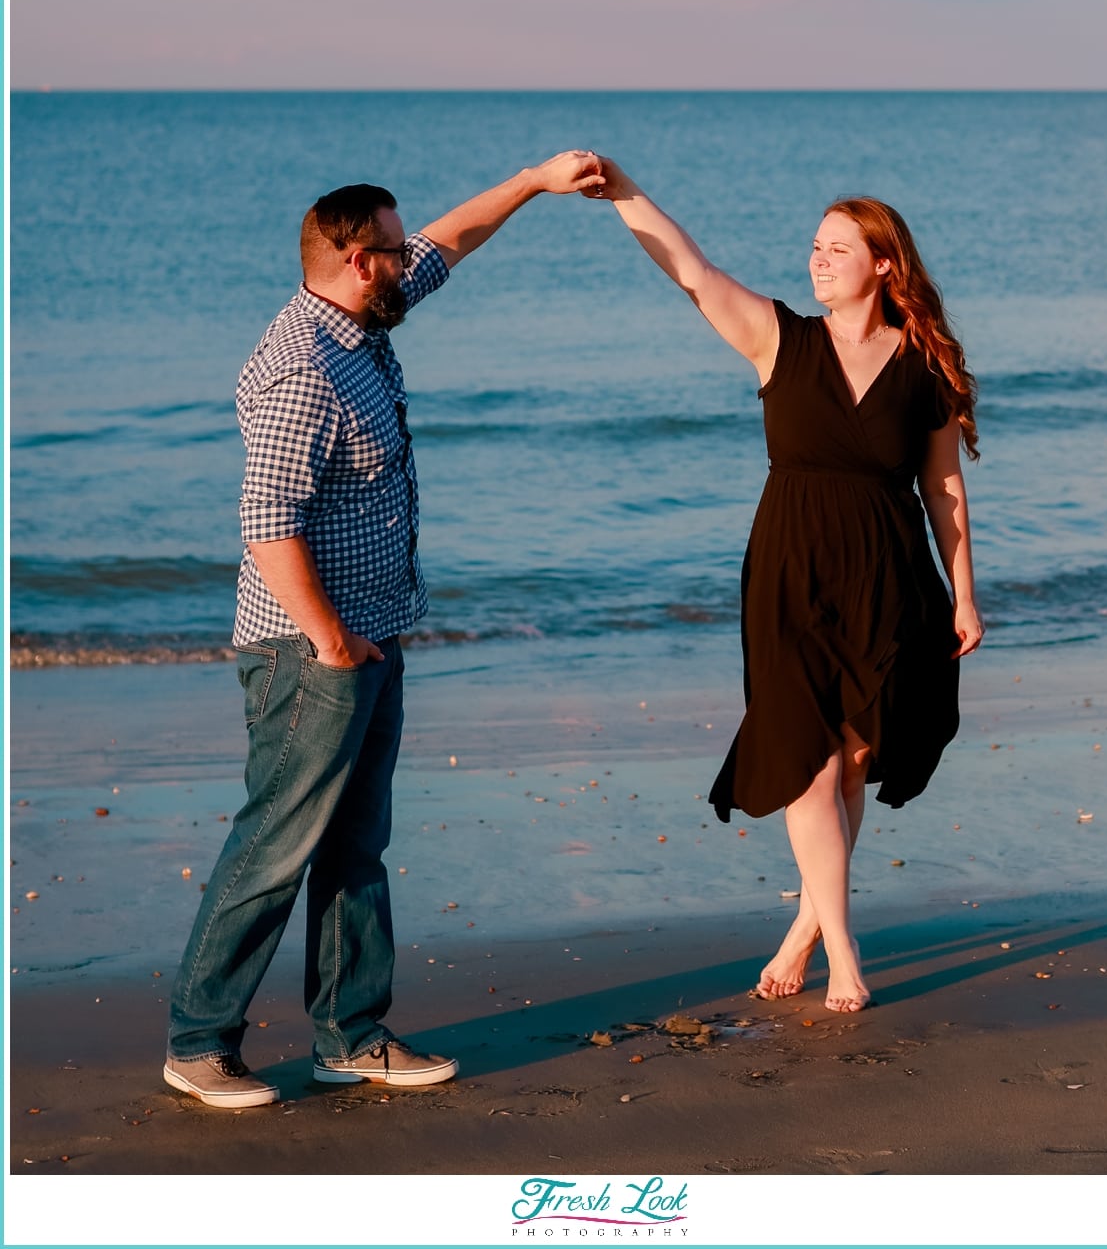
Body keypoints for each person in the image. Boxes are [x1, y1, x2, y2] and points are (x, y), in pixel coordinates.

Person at [165, 151, 602, 1108]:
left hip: (371, 636)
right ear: (359, 260)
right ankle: (199, 1043)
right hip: (306, 650)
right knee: (275, 845)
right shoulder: (303, 366)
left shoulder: (362, 321)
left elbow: (453, 239)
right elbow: (268, 521)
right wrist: (326, 640)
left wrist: (534, 182)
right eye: (398, 253)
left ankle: (352, 1035)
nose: (416, 262)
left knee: (356, 844)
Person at [586, 164, 983, 1014]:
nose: (819, 260)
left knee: (855, 762)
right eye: (814, 247)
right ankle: (843, 951)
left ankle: (806, 926)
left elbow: (943, 490)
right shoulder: (780, 338)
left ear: (884, 264)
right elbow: (691, 271)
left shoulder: (925, 370)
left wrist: (964, 593)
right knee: (809, 764)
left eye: (838, 249)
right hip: (790, 574)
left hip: (887, 576)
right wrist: (624, 193)